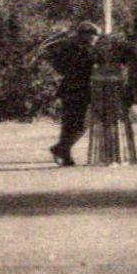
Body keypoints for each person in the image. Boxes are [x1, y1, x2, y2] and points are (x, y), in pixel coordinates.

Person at [48, 22, 101, 167]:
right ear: (85, 35)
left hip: (69, 89)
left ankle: (63, 151)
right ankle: (61, 149)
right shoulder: (84, 50)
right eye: (93, 35)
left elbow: (59, 66)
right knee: (81, 123)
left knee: (70, 123)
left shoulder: (65, 47)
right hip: (80, 89)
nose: (95, 39)